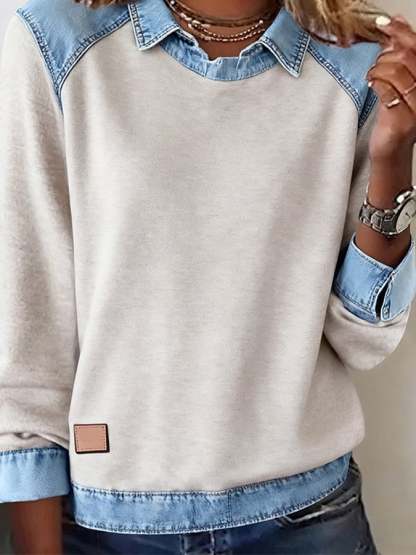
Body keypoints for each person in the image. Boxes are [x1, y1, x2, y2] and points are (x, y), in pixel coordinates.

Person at [1, 0, 416, 553]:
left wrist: (393, 158)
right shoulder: (57, 42)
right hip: (109, 525)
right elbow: (28, 341)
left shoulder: (358, 60)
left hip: (307, 516)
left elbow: (362, 341)